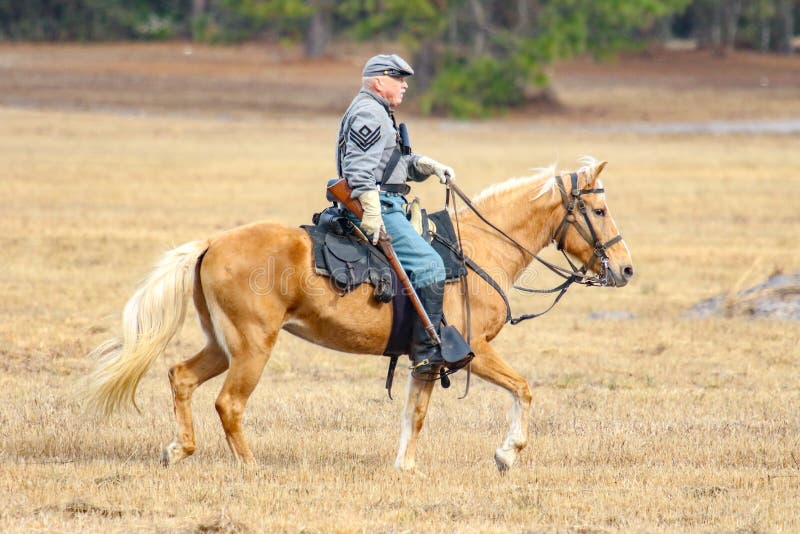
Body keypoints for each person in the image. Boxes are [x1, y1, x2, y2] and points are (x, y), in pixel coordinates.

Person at [335, 53, 455, 378]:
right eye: (398, 79)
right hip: (380, 207)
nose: (404, 86)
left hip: (389, 201)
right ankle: (426, 353)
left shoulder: (380, 112)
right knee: (431, 265)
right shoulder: (368, 113)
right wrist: (372, 212)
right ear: (378, 81)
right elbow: (360, 171)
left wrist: (425, 165)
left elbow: (391, 164)